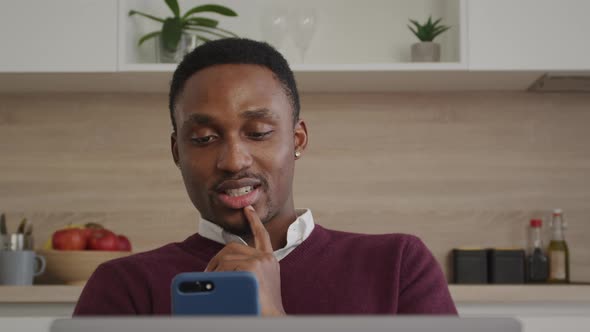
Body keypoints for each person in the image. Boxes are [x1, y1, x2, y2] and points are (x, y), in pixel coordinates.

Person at [74, 38, 456, 316]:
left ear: (298, 140)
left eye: (257, 132)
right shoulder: (123, 287)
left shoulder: (397, 266)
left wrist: (272, 319)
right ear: (178, 153)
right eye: (204, 138)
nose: (234, 160)